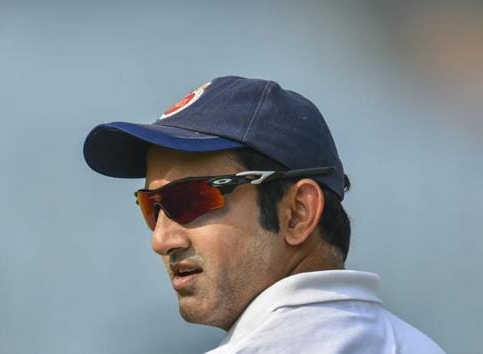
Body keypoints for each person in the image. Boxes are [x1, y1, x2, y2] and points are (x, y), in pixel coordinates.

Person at [82, 76, 444, 353]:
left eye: (190, 199)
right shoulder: (419, 346)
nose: (161, 239)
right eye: (152, 206)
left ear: (298, 213)